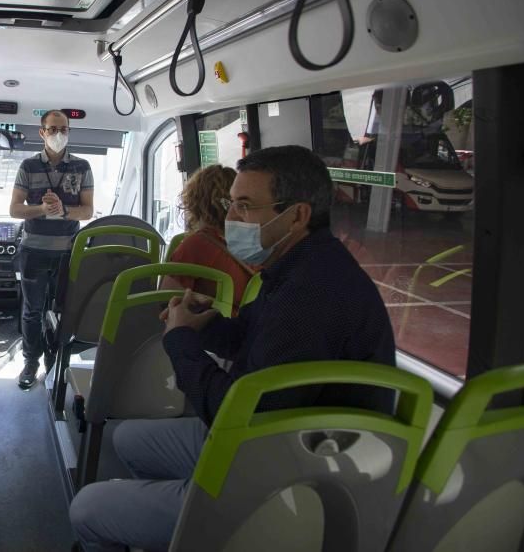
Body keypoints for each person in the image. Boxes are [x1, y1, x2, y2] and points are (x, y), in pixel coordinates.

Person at [70, 145, 397, 552]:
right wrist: (207, 326)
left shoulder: (307, 297)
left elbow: (235, 418)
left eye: (245, 206)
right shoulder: (300, 268)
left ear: (297, 215)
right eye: (230, 204)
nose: (230, 219)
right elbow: (251, 336)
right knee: (128, 439)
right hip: (284, 443)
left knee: (87, 508)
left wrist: (180, 340)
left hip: (287, 478)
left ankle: (205, 518)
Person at [9, 110, 94, 389]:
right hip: (33, 249)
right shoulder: (28, 166)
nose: (59, 134)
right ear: (42, 132)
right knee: (32, 311)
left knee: (62, 310)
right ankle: (31, 361)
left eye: (64, 129)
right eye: (53, 129)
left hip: (67, 252)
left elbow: (87, 211)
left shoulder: (81, 167)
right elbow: (15, 209)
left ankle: (55, 361)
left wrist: (64, 209)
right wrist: (42, 209)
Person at [160, 165, 256, 313]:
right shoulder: (255, 242)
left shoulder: (195, 246)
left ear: (195, 202)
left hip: (211, 327)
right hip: (247, 326)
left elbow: (165, 299)